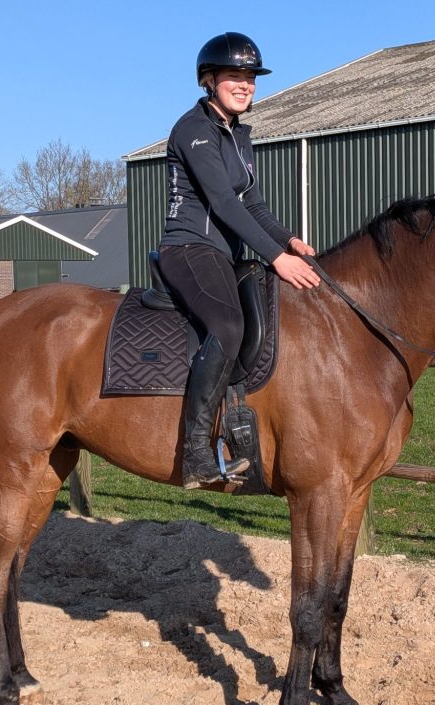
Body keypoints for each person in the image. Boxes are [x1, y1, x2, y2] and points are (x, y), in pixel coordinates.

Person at [157, 31, 321, 490]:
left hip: (224, 255)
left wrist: (288, 241)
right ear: (208, 79)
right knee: (228, 327)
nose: (245, 84)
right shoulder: (194, 130)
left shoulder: (239, 137)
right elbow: (224, 205)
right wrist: (275, 258)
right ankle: (195, 454)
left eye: (250, 77)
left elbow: (254, 207)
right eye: (235, 75)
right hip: (189, 248)